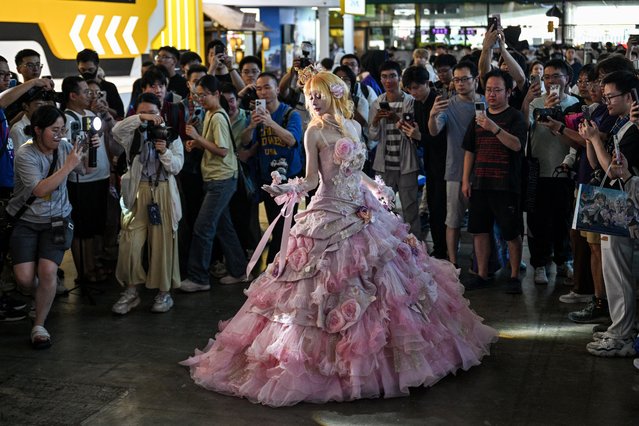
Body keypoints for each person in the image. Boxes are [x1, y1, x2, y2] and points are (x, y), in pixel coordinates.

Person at [180, 70, 497, 407]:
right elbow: (313, 179)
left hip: (361, 209)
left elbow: (355, 170)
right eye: (310, 96)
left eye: (319, 94)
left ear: (334, 94)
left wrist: (376, 187)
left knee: (389, 283)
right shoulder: (313, 131)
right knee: (318, 289)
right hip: (328, 211)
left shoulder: (351, 126)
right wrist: (288, 188)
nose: (313, 101)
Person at [7, 105, 95, 347]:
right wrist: (67, 166)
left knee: (47, 272)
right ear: (37, 130)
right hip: (26, 221)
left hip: (57, 219)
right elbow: (40, 189)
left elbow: (87, 170)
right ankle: (42, 294)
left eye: (62, 130)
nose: (60, 135)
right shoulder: (26, 154)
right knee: (25, 279)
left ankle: (39, 325)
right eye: (54, 130)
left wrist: (90, 153)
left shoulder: (66, 148)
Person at [577, 70, 639, 357]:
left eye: (611, 96)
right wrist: (591, 140)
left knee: (619, 270)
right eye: (605, 97)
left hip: (625, 205)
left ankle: (623, 332)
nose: (607, 102)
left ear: (630, 97)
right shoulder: (621, 124)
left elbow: (612, 169)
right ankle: (619, 325)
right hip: (613, 202)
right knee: (612, 267)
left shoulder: (634, 130)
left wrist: (596, 142)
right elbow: (598, 165)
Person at [111, 93, 184, 314]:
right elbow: (116, 130)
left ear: (161, 113)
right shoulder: (131, 133)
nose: (149, 118)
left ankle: (164, 293)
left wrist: (164, 152)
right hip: (137, 192)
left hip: (162, 190)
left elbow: (177, 166)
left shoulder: (171, 135)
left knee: (163, 246)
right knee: (129, 243)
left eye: (153, 113)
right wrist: (141, 118)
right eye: (143, 113)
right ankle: (131, 292)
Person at [179, 75, 250, 291]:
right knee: (223, 226)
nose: (200, 99)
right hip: (217, 178)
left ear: (216, 94)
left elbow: (222, 151)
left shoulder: (217, 116)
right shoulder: (211, 114)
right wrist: (198, 143)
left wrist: (197, 138)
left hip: (221, 179)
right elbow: (216, 146)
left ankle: (199, 277)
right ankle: (239, 271)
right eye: (197, 95)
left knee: (203, 227)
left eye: (204, 95)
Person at [461, 70, 527, 293]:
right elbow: (469, 150)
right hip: (480, 183)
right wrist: (465, 180)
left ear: (508, 92)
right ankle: (481, 273)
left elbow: (517, 145)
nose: (491, 94)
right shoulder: (477, 118)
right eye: (488, 90)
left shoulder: (516, 117)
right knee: (479, 231)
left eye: (497, 90)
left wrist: (494, 128)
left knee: (511, 232)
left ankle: (515, 275)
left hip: (506, 185)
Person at [240, 72, 303, 264]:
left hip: (289, 179)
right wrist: (251, 126)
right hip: (267, 178)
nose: (263, 92)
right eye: (258, 88)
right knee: (273, 225)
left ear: (277, 89)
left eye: (267, 87)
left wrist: (271, 123)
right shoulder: (258, 116)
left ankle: (276, 267)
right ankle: (278, 267)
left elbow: (292, 140)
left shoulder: (290, 114)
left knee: (285, 227)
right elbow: (246, 142)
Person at [428, 61, 484, 268]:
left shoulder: (486, 102)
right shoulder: (448, 104)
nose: (460, 84)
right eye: (456, 80)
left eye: (464, 79)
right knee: (452, 220)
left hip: (483, 171)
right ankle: (452, 262)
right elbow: (434, 131)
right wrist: (433, 114)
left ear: (475, 80)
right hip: (454, 170)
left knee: (481, 223)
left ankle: (482, 261)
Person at [369, 61, 420, 237]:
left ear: (399, 77)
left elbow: (411, 133)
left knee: (410, 208)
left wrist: (394, 117)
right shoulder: (377, 103)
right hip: (384, 165)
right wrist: (375, 121)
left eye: (392, 76)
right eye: (384, 76)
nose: (388, 80)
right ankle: (387, 245)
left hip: (407, 164)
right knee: (383, 208)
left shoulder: (410, 102)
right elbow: (373, 136)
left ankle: (415, 248)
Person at [401, 65, 447, 258]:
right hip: (430, 161)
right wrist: (411, 131)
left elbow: (441, 138)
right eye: (410, 89)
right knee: (435, 207)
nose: (413, 92)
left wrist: (419, 135)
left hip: (446, 162)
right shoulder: (418, 102)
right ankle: (439, 248)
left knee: (442, 208)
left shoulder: (439, 102)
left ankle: (444, 250)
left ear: (427, 83)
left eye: (416, 87)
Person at [76, 48, 124, 119]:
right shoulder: (75, 87)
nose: (86, 73)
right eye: (83, 70)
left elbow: (120, 114)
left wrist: (105, 109)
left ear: (97, 66)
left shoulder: (109, 87)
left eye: (90, 70)